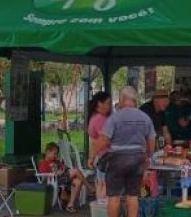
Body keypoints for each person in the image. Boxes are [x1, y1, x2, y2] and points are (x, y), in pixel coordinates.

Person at [99, 87, 156, 217]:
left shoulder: (115, 117)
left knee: (114, 196)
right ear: (134, 101)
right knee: (133, 196)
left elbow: (104, 139)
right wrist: (149, 156)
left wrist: (92, 157)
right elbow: (151, 139)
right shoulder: (145, 117)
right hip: (138, 159)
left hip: (117, 160)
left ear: (122, 99)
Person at [39, 142, 93, 213]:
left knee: (78, 181)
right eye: (54, 153)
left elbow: (64, 167)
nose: (56, 156)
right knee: (76, 171)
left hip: (63, 178)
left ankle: (70, 205)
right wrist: (58, 173)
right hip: (53, 181)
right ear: (48, 152)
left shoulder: (56, 161)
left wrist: (62, 170)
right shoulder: (44, 163)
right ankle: (89, 187)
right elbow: (45, 175)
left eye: (57, 154)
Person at [86, 91, 112, 200]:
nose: (109, 106)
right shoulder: (99, 119)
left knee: (101, 185)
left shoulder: (95, 117)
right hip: (107, 157)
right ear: (99, 104)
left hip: (102, 157)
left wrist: (91, 157)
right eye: (108, 103)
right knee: (104, 187)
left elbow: (93, 142)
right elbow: (104, 141)